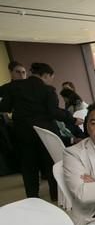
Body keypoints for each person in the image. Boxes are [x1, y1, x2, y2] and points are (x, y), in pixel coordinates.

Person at [0, 62, 74, 200]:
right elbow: (53, 112)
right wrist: (72, 119)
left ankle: (32, 196)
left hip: (23, 132)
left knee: (28, 165)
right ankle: (55, 195)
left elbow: (5, 106)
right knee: (50, 163)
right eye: (52, 77)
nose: (52, 80)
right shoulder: (48, 90)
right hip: (45, 132)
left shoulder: (14, 87)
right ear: (46, 75)